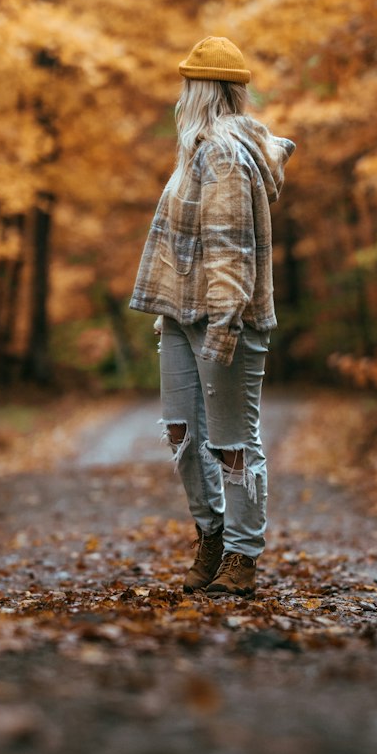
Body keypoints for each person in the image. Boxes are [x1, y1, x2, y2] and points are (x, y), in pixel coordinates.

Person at [129, 36, 295, 597]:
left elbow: (229, 248)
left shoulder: (222, 153)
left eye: (186, 85)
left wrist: (224, 324)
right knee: (182, 434)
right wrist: (172, 312)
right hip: (181, 317)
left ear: (202, 90)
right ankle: (212, 535)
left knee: (231, 443)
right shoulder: (198, 150)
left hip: (223, 318)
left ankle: (242, 556)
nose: (180, 96)